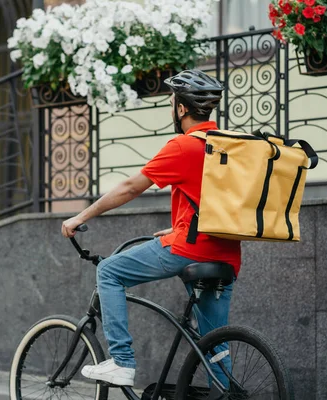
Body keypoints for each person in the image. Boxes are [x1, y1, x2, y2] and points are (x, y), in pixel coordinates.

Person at [61, 69, 241, 387]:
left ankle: (121, 362)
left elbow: (131, 188)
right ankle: (225, 392)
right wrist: (175, 228)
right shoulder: (229, 145)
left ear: (181, 108)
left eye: (172, 102)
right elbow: (210, 200)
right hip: (226, 254)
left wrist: (81, 217)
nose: (171, 107)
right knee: (215, 345)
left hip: (189, 249)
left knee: (109, 273)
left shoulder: (184, 146)